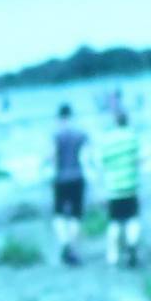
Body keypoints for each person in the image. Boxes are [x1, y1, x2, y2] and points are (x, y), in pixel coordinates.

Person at [99, 106, 147, 268]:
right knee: (133, 219)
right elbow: (138, 159)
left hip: (113, 188)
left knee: (114, 222)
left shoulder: (107, 139)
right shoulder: (132, 136)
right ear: (127, 120)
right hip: (131, 186)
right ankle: (132, 245)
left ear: (114, 122)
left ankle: (113, 256)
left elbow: (103, 164)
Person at [49, 102, 90, 265]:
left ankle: (65, 243)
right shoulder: (81, 133)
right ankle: (72, 248)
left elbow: (52, 156)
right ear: (71, 114)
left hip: (60, 178)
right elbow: (86, 157)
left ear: (59, 116)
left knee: (59, 215)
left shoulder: (56, 134)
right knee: (76, 215)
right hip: (77, 177)